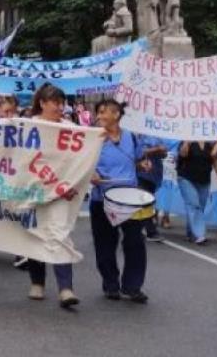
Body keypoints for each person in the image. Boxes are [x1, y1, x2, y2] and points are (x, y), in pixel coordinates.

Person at [89, 99, 161, 303]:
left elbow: (138, 160)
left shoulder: (130, 137)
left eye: (104, 112)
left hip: (129, 200)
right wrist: (92, 172)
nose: (100, 116)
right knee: (105, 244)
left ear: (117, 115)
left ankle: (132, 286)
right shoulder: (92, 138)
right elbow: (83, 162)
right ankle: (111, 284)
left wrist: (143, 164)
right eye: (99, 112)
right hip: (101, 198)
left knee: (135, 242)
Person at [26, 83, 80, 308]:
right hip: (36, 188)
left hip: (63, 191)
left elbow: (81, 158)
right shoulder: (29, 126)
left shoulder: (72, 128)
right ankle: (37, 282)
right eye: (56, 103)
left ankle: (66, 289)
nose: (60, 107)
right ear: (42, 103)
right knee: (35, 234)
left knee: (60, 235)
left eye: (62, 103)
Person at [175, 136, 217, 245]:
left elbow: (216, 164)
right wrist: (187, 141)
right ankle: (199, 235)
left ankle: (191, 234)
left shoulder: (211, 143)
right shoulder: (187, 140)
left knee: (200, 208)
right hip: (186, 178)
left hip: (204, 181)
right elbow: (183, 154)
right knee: (194, 205)